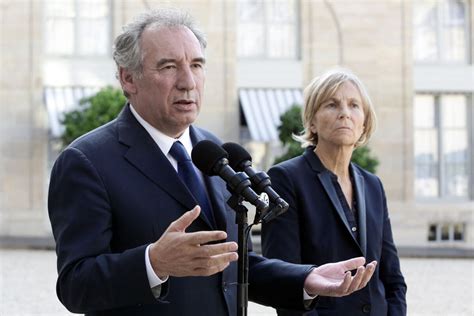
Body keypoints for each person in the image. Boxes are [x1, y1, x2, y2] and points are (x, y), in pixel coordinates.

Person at [48, 9, 377, 316]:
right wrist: (153, 263)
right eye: (168, 66)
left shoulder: (215, 151)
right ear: (128, 79)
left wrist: (304, 279)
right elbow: (76, 284)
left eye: (196, 65)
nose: (188, 81)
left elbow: (235, 262)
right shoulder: (86, 162)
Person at [261, 68, 407, 315]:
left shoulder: (373, 185)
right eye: (332, 104)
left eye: (354, 105)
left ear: (364, 123)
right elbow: (284, 280)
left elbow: (392, 277)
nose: (344, 113)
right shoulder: (285, 179)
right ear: (312, 122)